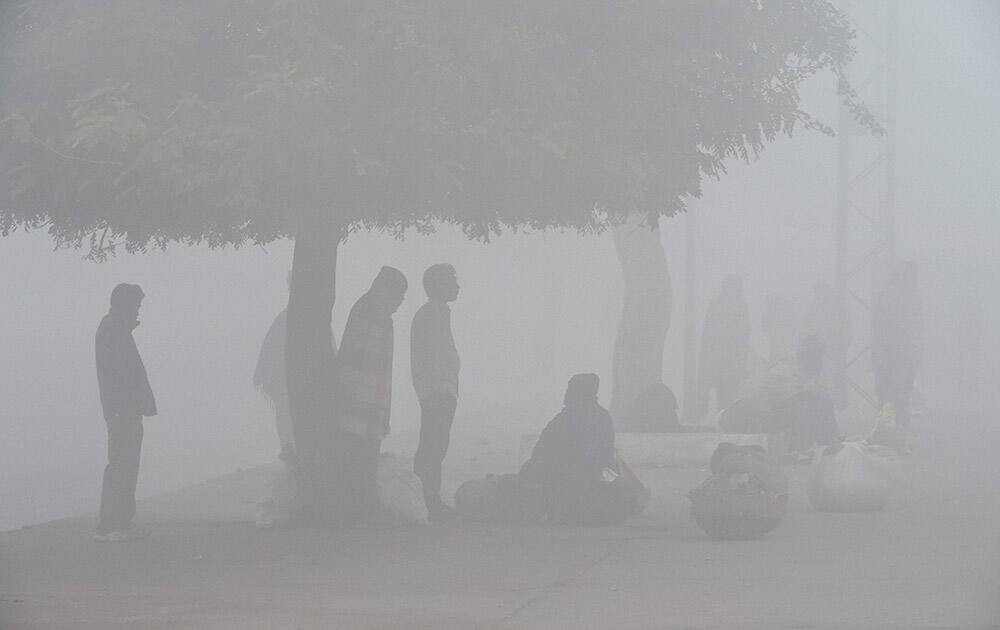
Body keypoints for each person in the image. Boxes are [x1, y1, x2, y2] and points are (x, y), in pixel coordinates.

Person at [335, 266, 407, 525]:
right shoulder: (371, 313)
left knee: (363, 460)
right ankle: (362, 512)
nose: (398, 305)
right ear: (383, 290)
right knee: (360, 461)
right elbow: (358, 365)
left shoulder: (369, 311)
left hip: (366, 405)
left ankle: (361, 510)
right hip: (358, 405)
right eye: (397, 298)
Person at [518, 374, 628, 525]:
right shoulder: (602, 417)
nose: (566, 394)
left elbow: (541, 453)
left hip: (568, 477)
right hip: (590, 476)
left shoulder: (565, 420)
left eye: (569, 389)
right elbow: (605, 456)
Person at [94, 283, 157, 542]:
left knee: (128, 464)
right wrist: (123, 409)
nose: (138, 312)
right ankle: (110, 525)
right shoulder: (112, 331)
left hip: (127, 410)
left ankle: (122, 520)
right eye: (135, 307)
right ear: (124, 306)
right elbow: (118, 375)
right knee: (121, 464)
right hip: (122, 411)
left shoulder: (117, 330)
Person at [410, 264, 461, 520]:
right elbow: (432, 358)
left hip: (440, 391)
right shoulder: (431, 315)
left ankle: (430, 499)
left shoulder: (436, 313)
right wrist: (441, 390)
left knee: (436, 445)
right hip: (437, 392)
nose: (457, 286)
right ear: (439, 285)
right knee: (433, 446)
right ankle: (428, 501)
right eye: (452, 281)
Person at [872, 262, 923, 429]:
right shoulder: (895, 295)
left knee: (894, 394)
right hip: (894, 352)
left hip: (898, 353)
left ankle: (893, 433)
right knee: (896, 394)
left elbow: (915, 327)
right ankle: (894, 433)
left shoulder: (907, 297)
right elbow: (884, 324)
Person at [696, 275, 750, 419]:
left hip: (717, 361)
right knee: (727, 402)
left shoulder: (717, 305)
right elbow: (744, 337)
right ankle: (725, 429)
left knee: (718, 398)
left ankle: (705, 421)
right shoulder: (740, 307)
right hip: (729, 364)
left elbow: (707, 335)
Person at [802, 281, 851, 406]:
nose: (821, 296)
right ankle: (822, 401)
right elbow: (808, 328)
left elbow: (844, 326)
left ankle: (836, 400)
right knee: (821, 375)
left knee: (835, 374)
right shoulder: (812, 308)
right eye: (819, 293)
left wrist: (844, 341)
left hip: (833, 346)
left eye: (823, 292)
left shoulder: (838, 308)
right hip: (818, 349)